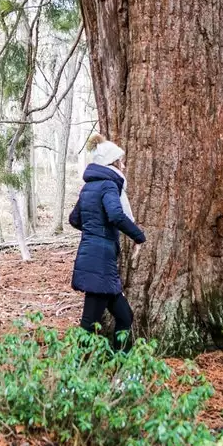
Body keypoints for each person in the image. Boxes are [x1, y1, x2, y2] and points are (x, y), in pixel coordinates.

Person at [68, 135, 146, 349]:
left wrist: (94, 231)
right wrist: (139, 236)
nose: (124, 164)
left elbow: (75, 219)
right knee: (88, 324)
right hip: (99, 263)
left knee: (125, 316)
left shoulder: (89, 187)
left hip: (97, 260)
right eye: (121, 160)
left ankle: (121, 363)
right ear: (112, 163)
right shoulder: (109, 186)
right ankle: (75, 374)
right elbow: (116, 215)